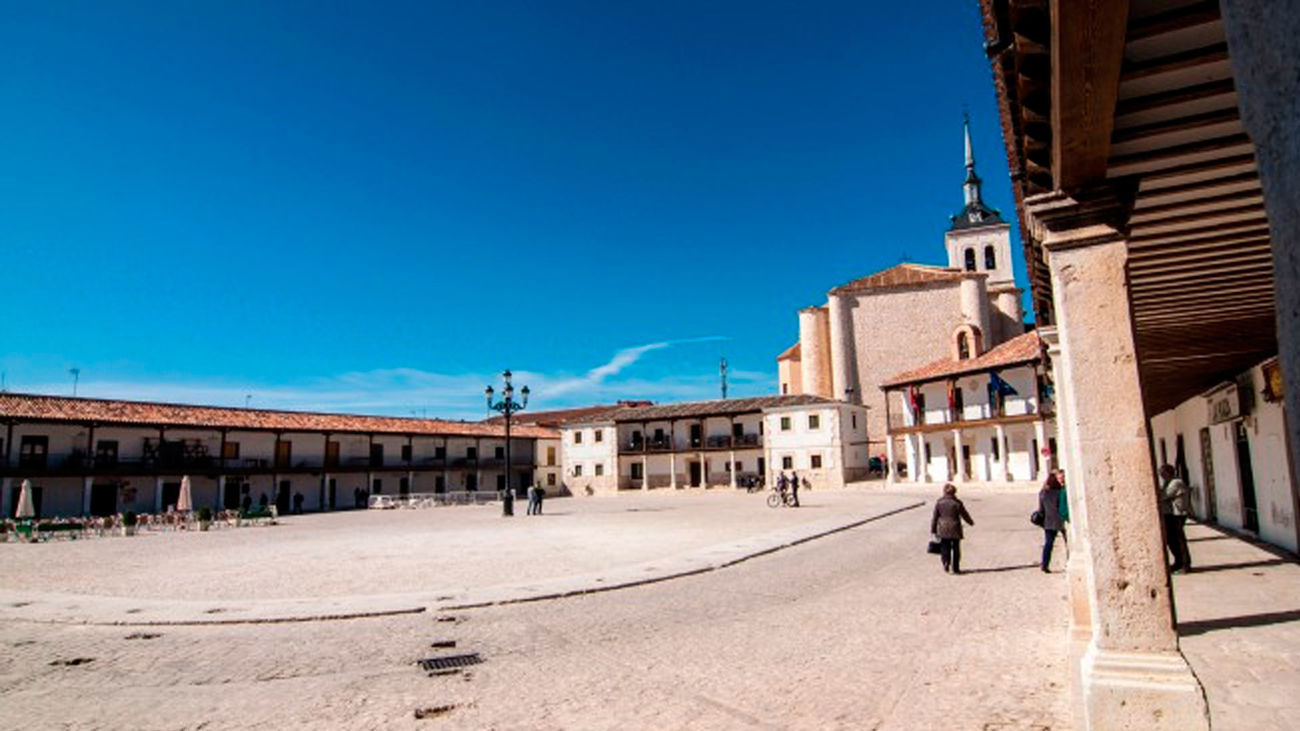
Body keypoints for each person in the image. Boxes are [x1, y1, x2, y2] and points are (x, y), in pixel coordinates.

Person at [930, 483, 974, 574]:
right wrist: (970, 522)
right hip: (955, 528)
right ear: (954, 492)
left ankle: (946, 562)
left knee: (944, 547)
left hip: (943, 529)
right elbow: (964, 514)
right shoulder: (957, 503)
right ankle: (956, 567)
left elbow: (935, 517)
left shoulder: (939, 502)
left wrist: (933, 529)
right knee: (956, 548)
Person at [1159, 464, 1192, 573]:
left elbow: (1165, 495)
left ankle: (1185, 564)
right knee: (1171, 540)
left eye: (1163, 473)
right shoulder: (1167, 482)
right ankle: (1178, 562)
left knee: (1179, 540)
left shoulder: (1176, 482)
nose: (1161, 475)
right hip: (1170, 514)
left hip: (1178, 514)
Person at [1039, 472, 1065, 572]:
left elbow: (1041, 509)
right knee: (1067, 541)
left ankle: (1045, 564)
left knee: (1048, 544)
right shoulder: (1060, 492)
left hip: (1048, 521)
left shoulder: (1043, 493)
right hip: (1060, 520)